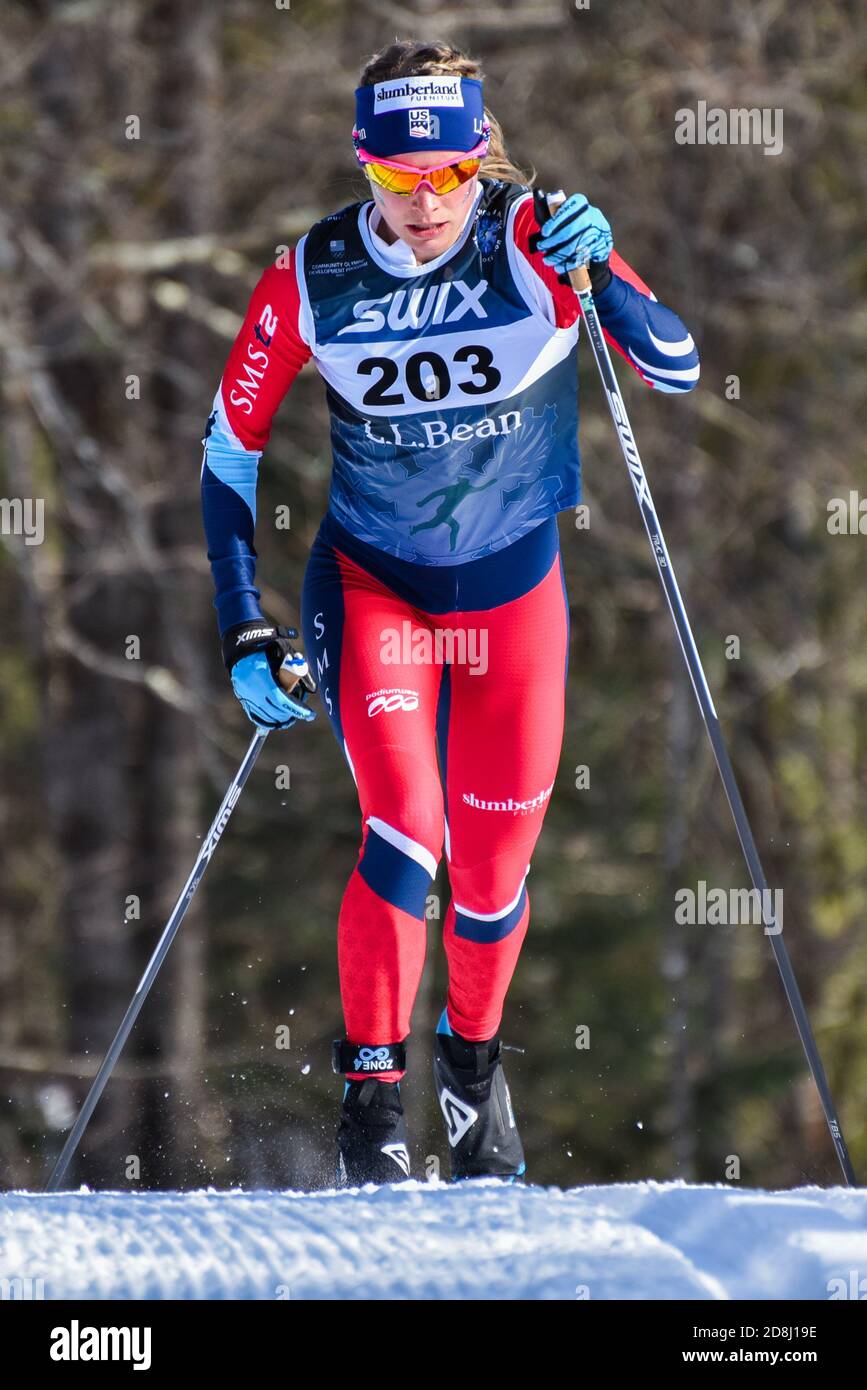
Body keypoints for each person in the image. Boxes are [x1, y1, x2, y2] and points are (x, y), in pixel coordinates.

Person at [200, 39, 700, 1186]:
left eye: (447, 179)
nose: (422, 205)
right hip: (376, 586)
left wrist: (606, 270)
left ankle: (470, 1071)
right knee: (404, 832)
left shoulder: (532, 242)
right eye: (393, 179)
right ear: (362, 168)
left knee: (491, 877)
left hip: (515, 600)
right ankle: (372, 1107)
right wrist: (240, 621)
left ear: (483, 163)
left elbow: (674, 366)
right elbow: (230, 451)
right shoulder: (311, 278)